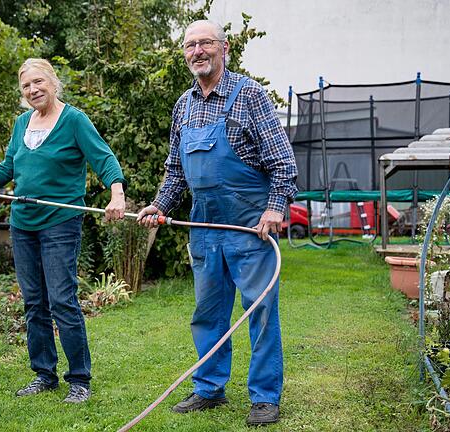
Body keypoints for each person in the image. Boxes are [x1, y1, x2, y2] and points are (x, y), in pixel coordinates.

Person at [137, 20, 297, 426]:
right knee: (208, 312)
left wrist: (274, 208)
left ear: (224, 48)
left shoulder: (250, 96)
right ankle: (209, 388)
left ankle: (264, 396)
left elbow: (283, 162)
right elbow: (176, 170)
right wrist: (159, 205)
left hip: (248, 227)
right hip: (204, 228)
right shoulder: (184, 105)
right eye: (190, 46)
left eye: (205, 43)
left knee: (259, 312)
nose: (197, 51)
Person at [0, 58, 126, 404]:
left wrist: (117, 194)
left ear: (53, 82)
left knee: (62, 301)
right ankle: (44, 374)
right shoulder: (22, 122)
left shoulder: (74, 120)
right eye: (26, 86)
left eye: (38, 82)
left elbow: (104, 159)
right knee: (34, 302)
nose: (33, 90)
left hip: (59, 222)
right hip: (22, 224)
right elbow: (6, 168)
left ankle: (79, 380)